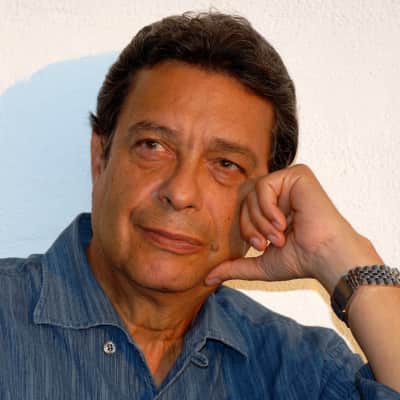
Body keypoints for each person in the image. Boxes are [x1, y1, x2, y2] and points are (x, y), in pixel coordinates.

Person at [1, 11, 399, 399]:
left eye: (226, 164)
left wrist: (340, 255)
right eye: (153, 146)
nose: (181, 193)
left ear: (270, 197)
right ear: (100, 158)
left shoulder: (304, 372)